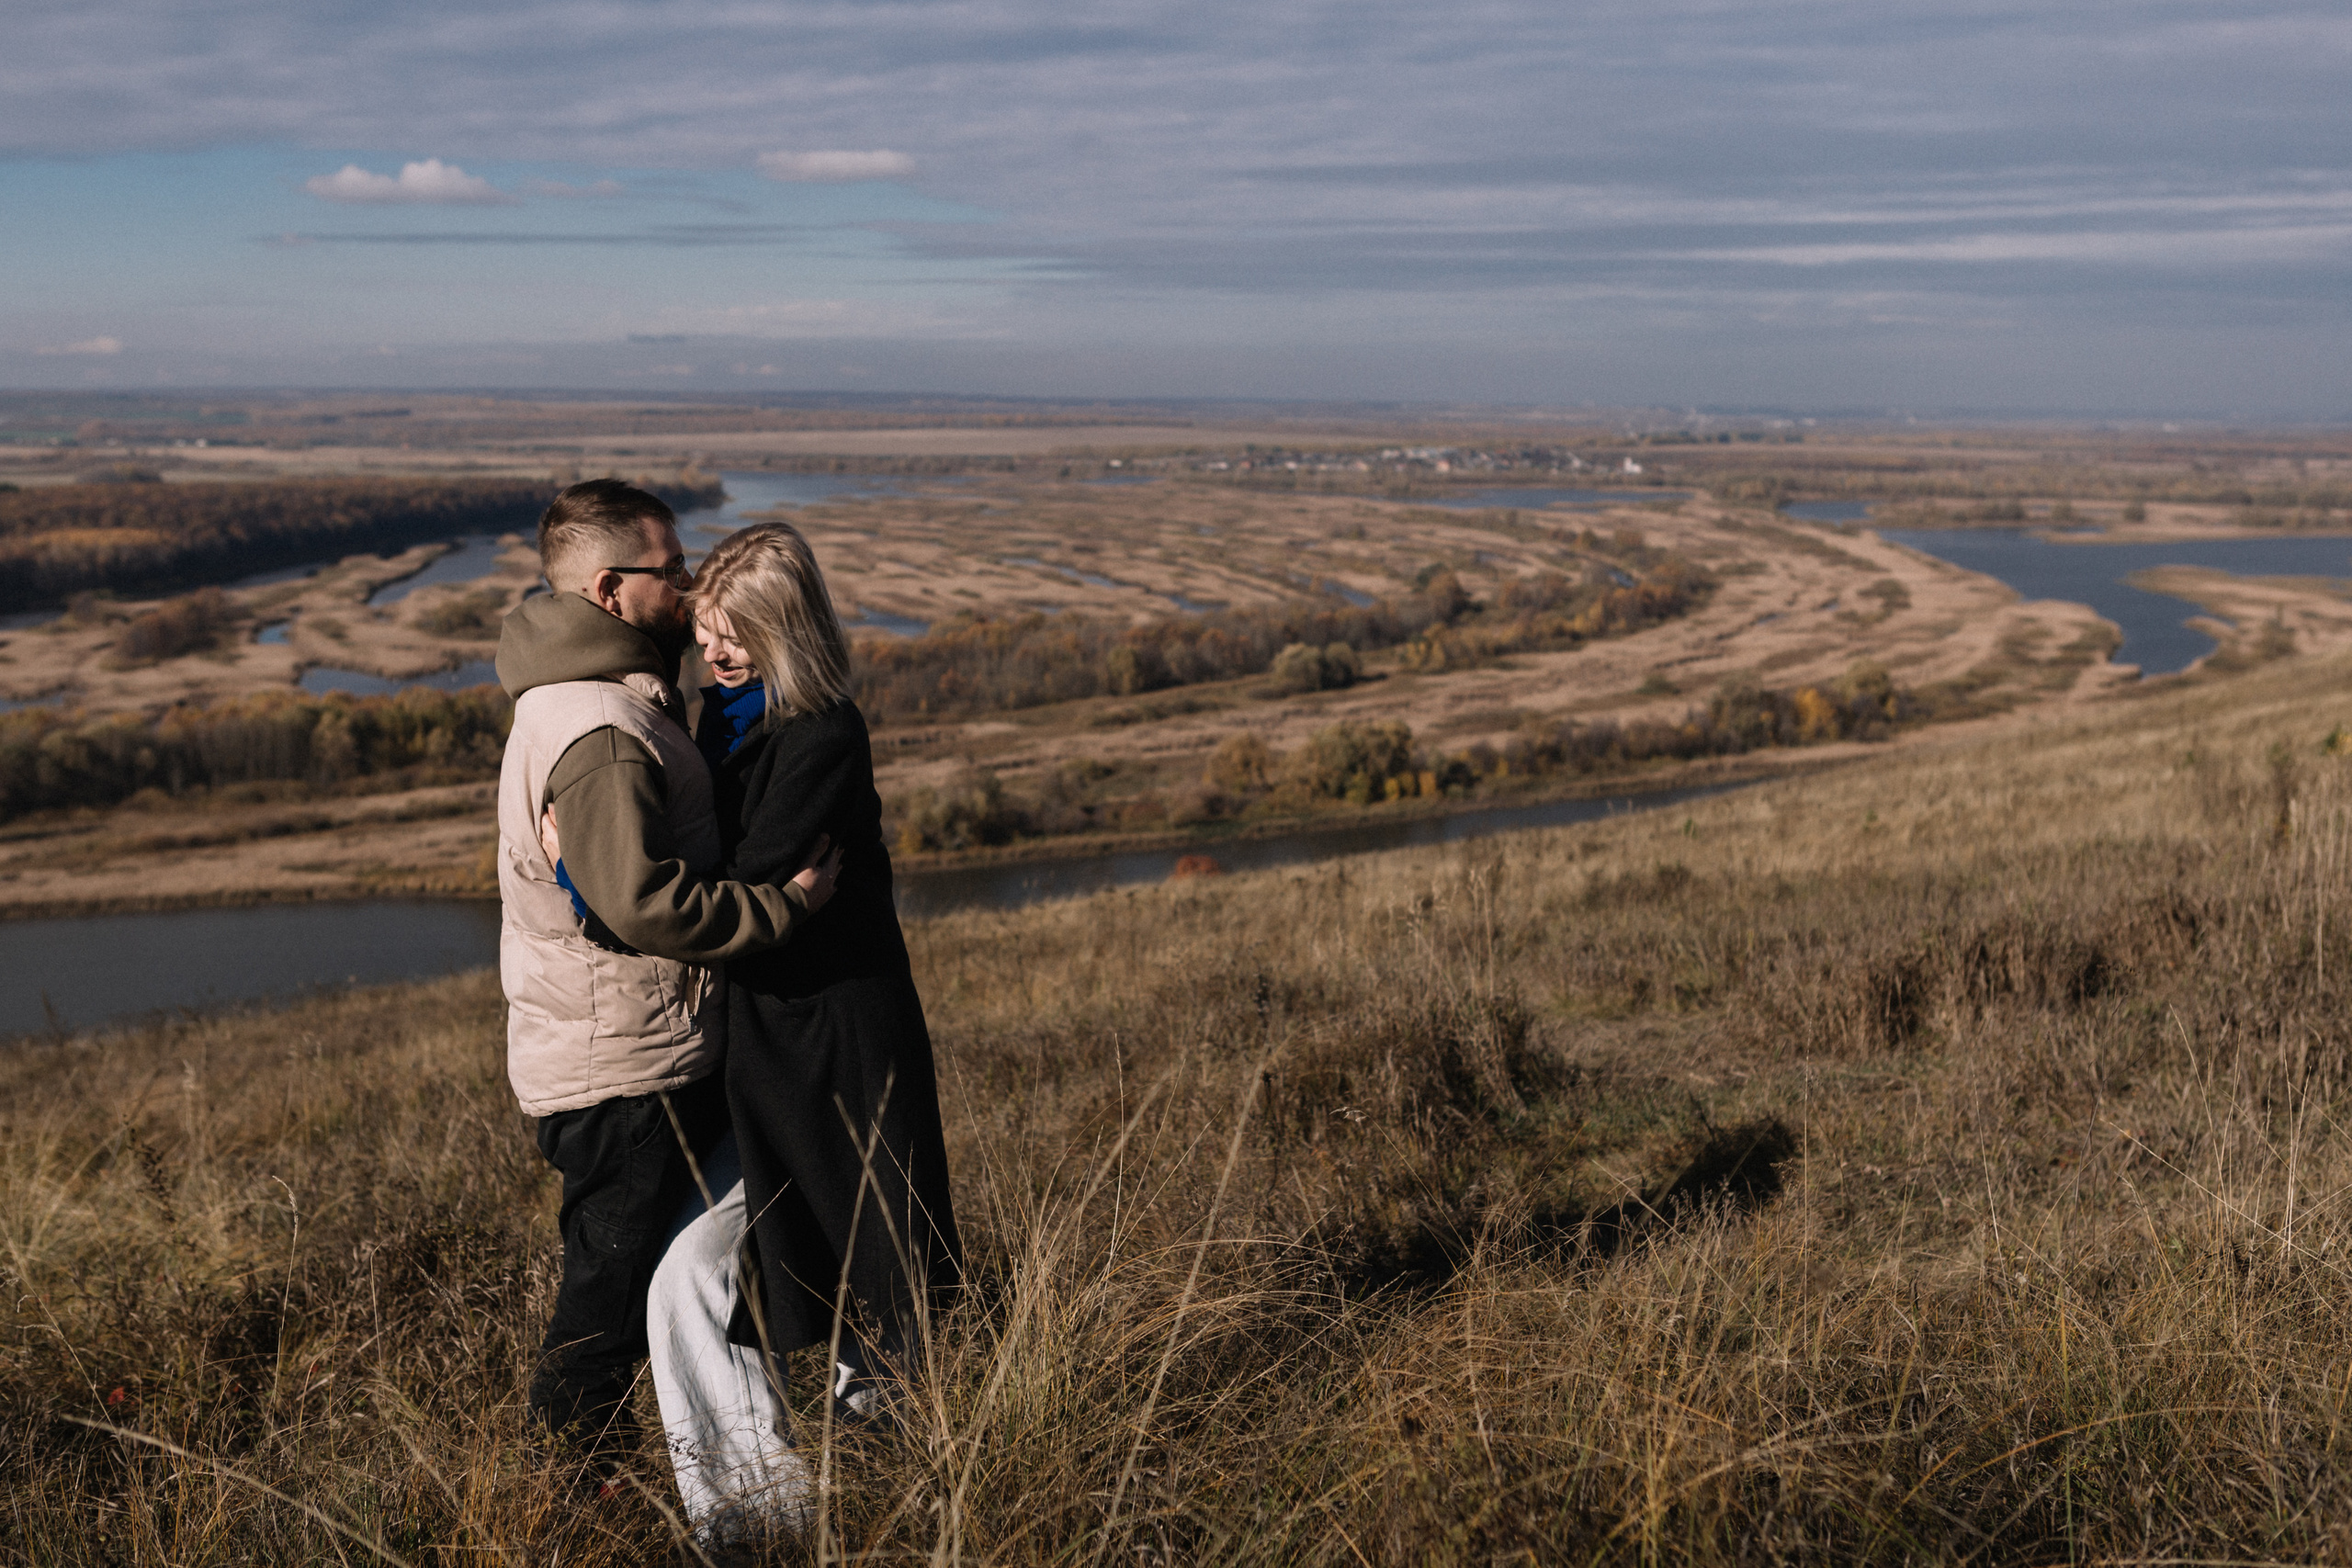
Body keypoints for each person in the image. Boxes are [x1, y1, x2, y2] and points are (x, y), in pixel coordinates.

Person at [492, 479, 840, 1479]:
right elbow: (642, 905)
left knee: (671, 1283)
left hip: (623, 1054)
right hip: (627, 1072)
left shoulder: (590, 698)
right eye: (673, 571)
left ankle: (729, 1481)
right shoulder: (602, 727)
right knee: (603, 1317)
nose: (690, 590)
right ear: (609, 588)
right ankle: (568, 1510)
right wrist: (788, 908)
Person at [640, 519, 962, 1541]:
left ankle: (897, 1480)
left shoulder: (821, 732)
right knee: (808, 1254)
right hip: (770, 1045)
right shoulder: (720, 722)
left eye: (738, 635)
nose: (717, 652)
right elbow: (740, 882)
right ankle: (782, 1502)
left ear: (789, 632)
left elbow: (746, 874)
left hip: (839, 1043)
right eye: (706, 631)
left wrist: (606, 874)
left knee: (874, 1251)